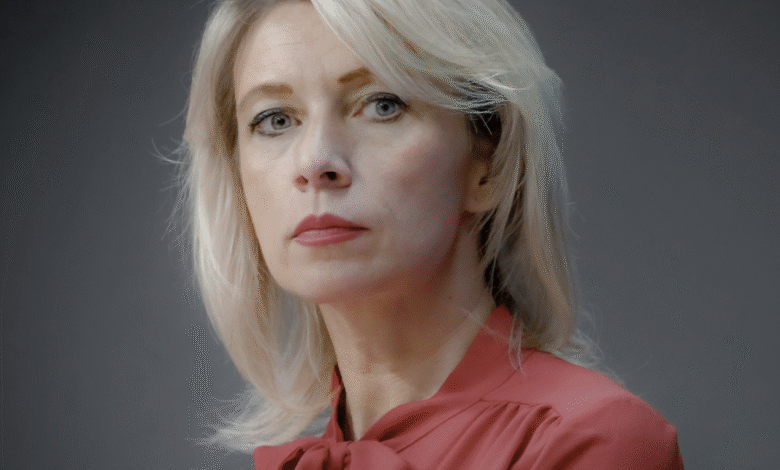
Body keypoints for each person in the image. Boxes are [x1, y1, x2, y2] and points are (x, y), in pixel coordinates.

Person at [178, 0, 684, 468]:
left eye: (382, 104)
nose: (314, 162)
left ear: (487, 163)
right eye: (274, 120)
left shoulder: (591, 440)